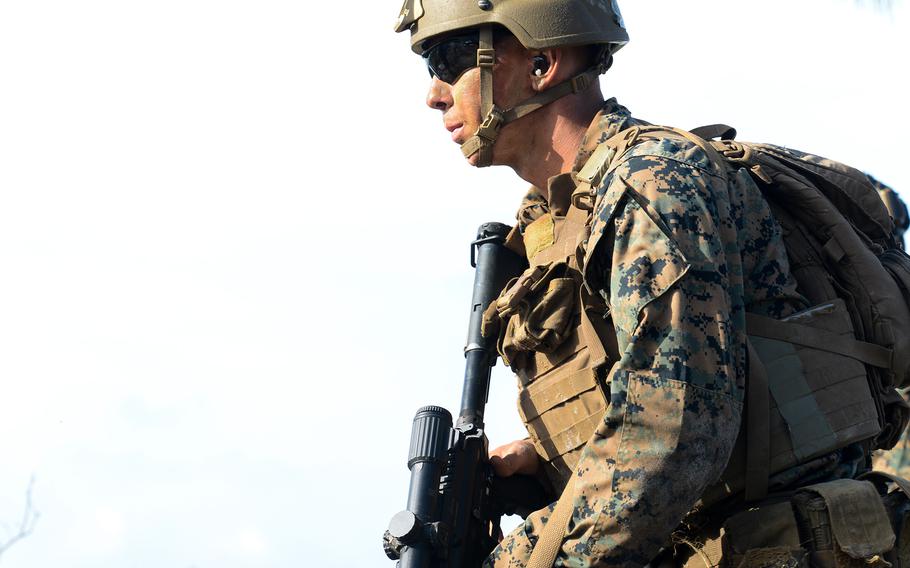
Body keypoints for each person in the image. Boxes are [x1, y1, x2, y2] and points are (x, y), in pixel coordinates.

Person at [394, 1, 902, 566]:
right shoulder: (556, 216)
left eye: (448, 59)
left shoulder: (650, 184)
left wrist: (526, 559)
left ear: (542, 63)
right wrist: (551, 465)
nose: (435, 94)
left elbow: (672, 428)